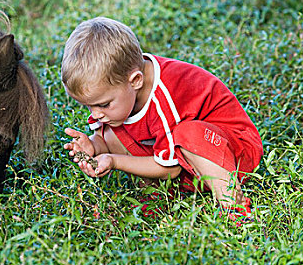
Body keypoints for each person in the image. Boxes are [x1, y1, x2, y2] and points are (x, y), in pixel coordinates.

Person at [61, 16, 263, 220]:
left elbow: (171, 169)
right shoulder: (121, 88)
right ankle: (157, 197)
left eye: (103, 104)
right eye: (88, 106)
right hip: (188, 162)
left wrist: (114, 161)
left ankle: (234, 206)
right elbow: (108, 139)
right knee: (113, 128)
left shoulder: (164, 97)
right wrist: (94, 146)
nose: (95, 114)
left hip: (234, 153)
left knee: (187, 134)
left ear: (136, 80)